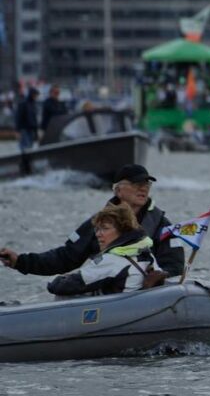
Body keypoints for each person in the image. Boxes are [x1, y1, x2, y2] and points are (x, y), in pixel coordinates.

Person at [1, 164, 185, 278]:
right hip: (109, 299)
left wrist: (159, 277)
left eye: (147, 184)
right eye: (137, 184)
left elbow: (175, 266)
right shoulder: (98, 224)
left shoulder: (162, 224)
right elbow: (65, 258)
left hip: (148, 296)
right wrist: (21, 262)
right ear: (118, 191)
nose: (143, 188)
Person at [43, 204, 166, 298]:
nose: (98, 234)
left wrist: (55, 281)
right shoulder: (145, 252)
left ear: (122, 230)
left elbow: (66, 286)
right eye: (97, 229)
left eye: (104, 229)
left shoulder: (112, 259)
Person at [14, 86, 39, 151]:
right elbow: (18, 117)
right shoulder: (23, 103)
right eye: (35, 95)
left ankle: (27, 160)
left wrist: (36, 131)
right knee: (25, 147)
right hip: (24, 129)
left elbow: (34, 118)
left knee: (30, 147)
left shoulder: (33, 104)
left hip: (31, 129)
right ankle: (24, 160)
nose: (36, 96)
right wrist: (17, 130)